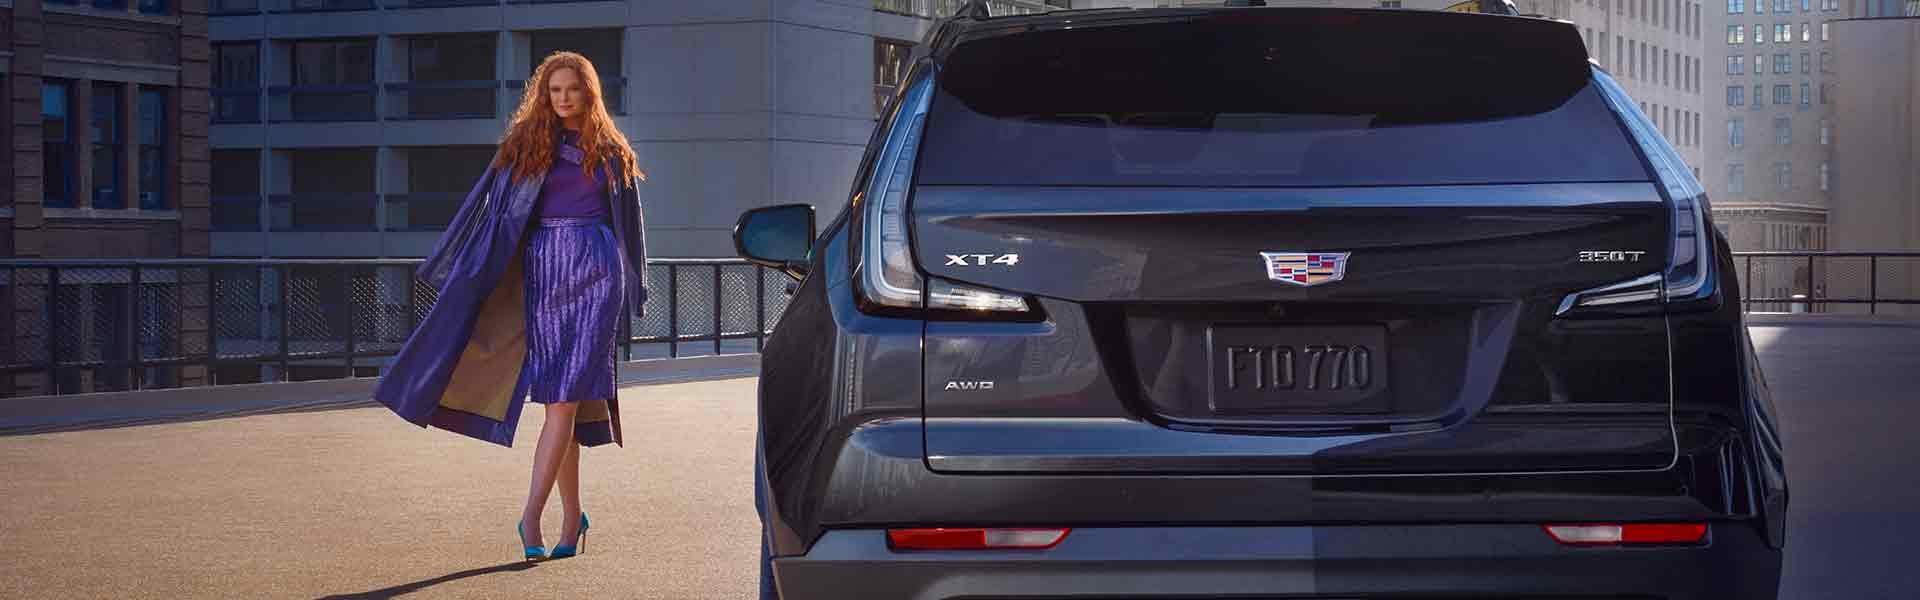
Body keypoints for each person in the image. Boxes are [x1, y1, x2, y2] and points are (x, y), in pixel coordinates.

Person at [371, 51, 649, 562]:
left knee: (564, 401)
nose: (563, 98)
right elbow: (489, 214)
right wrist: (465, 272)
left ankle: (529, 517)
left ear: (590, 92)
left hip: (597, 274)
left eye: (573, 89)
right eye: (554, 89)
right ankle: (572, 518)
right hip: (544, 272)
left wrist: (637, 286)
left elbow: (631, 227)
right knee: (557, 402)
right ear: (543, 95)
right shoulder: (524, 146)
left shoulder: (612, 150)